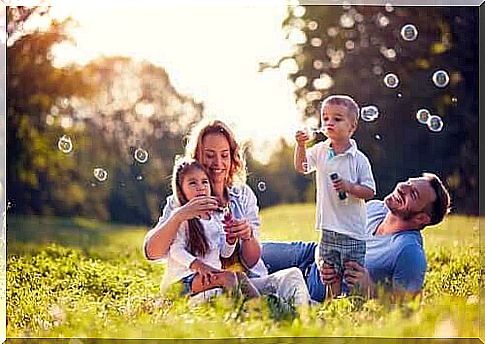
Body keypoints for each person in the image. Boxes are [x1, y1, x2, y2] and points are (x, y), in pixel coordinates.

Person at [144, 119, 311, 305]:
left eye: (224, 155)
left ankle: (302, 316)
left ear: (232, 158)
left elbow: (250, 260)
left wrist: (245, 236)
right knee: (225, 293)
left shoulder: (242, 195)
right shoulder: (182, 201)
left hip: (246, 281)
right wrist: (179, 216)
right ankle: (267, 309)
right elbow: (152, 252)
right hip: (205, 285)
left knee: (292, 275)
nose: (218, 163)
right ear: (196, 157)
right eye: (209, 155)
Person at [261, 173, 451, 302]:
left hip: (323, 286)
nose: (403, 188)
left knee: (251, 287)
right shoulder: (375, 208)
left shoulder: (408, 252)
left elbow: (408, 310)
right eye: (408, 183)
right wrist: (321, 256)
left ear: (421, 218)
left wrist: (370, 290)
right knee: (249, 253)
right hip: (310, 254)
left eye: (413, 193)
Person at [294, 95, 376, 297]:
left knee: (352, 273)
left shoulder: (359, 159)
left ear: (352, 126)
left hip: (353, 231)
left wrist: (349, 187)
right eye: (326, 118)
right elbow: (302, 167)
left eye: (337, 119)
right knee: (330, 273)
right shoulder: (320, 150)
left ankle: (358, 305)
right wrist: (301, 146)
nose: (329, 122)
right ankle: (334, 305)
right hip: (328, 228)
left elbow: (370, 191)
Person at [159, 158, 260, 298]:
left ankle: (260, 308)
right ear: (181, 190)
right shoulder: (183, 218)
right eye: (193, 183)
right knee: (229, 278)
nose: (200, 187)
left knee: (240, 277)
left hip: (207, 275)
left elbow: (224, 254)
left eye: (204, 182)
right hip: (182, 280)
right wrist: (199, 266)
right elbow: (175, 250)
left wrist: (231, 240)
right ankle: (238, 313)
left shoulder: (216, 217)